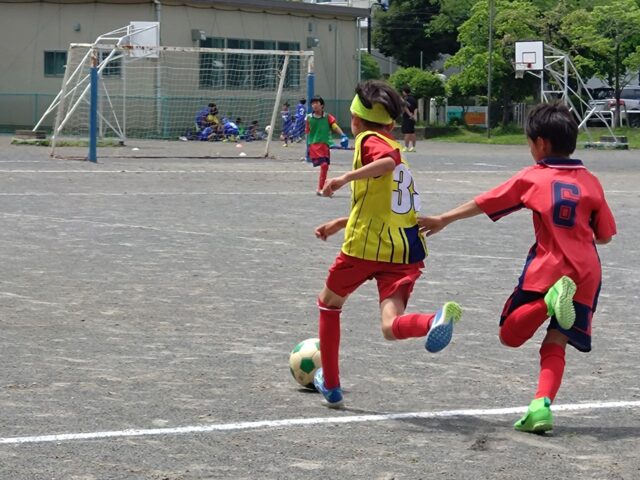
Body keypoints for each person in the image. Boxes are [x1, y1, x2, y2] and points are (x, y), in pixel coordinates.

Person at [417, 102, 617, 433]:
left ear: (540, 144)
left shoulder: (534, 177)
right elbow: (606, 237)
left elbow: (486, 201)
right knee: (556, 341)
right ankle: (540, 408)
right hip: (587, 272)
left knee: (510, 334)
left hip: (549, 268)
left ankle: (548, 301)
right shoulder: (592, 182)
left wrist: (444, 218)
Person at [311, 80, 463, 408]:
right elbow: (381, 201)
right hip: (403, 249)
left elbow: (386, 163)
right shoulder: (393, 147)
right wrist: (340, 222)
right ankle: (432, 320)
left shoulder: (369, 140)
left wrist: (343, 178)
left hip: (367, 246)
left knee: (329, 303)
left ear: (354, 120)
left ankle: (332, 384)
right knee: (390, 326)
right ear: (392, 124)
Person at [305, 95, 348, 195]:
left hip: (325, 146)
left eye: (316, 103)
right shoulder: (308, 118)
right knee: (324, 165)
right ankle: (321, 189)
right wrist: (308, 147)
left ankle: (322, 188)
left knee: (325, 167)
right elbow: (307, 132)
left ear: (322, 105)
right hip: (314, 146)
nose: (314, 105)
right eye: (313, 103)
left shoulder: (328, 117)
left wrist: (343, 135)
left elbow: (334, 126)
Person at [401, 86, 417, 152]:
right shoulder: (413, 99)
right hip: (412, 117)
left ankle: (406, 147)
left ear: (405, 92)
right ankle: (413, 147)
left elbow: (405, 107)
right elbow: (416, 108)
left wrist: (409, 114)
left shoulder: (405, 99)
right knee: (412, 132)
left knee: (407, 132)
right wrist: (415, 116)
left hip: (407, 117)